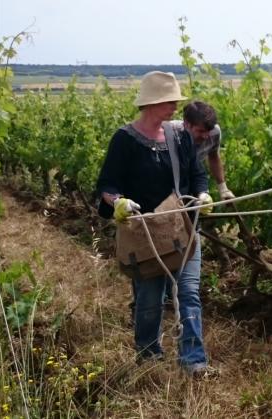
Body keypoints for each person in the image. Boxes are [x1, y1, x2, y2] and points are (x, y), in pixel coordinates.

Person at [95, 71, 214, 377]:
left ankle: (194, 361)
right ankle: (148, 356)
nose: (175, 106)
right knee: (150, 300)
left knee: (188, 293)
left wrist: (202, 192)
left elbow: (197, 172)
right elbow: (107, 184)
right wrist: (117, 201)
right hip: (145, 234)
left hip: (182, 229)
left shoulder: (180, 136)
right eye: (169, 101)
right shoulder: (125, 140)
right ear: (152, 103)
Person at [169, 101, 235, 200]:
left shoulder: (214, 133)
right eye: (201, 131)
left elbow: (213, 157)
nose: (205, 136)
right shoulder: (170, 134)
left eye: (208, 131)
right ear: (187, 124)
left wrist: (223, 188)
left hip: (193, 179)